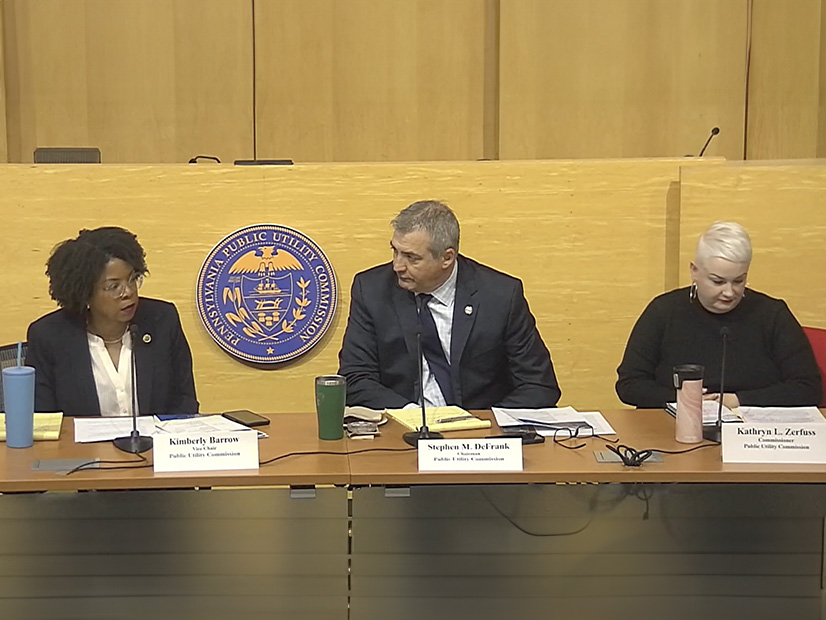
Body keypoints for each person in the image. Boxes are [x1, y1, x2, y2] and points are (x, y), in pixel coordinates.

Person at [338, 200, 560, 410]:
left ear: (447, 258)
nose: (397, 266)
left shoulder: (500, 296)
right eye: (395, 251)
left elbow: (539, 386)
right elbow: (355, 379)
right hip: (402, 433)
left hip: (480, 439)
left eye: (411, 258)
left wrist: (481, 427)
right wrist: (411, 415)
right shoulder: (372, 290)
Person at [616, 221, 822, 409]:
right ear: (694, 271)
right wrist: (682, 400)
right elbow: (630, 384)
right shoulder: (663, 311)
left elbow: (808, 388)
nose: (729, 292)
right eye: (717, 281)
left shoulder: (772, 314)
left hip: (753, 433)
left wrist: (737, 400)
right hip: (673, 428)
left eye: (739, 281)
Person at [26, 227, 199, 416]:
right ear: (85, 294)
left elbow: (184, 401)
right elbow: (43, 418)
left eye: (133, 279)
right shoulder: (50, 336)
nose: (128, 292)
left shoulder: (162, 320)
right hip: (79, 446)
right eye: (113, 286)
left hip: (153, 444)